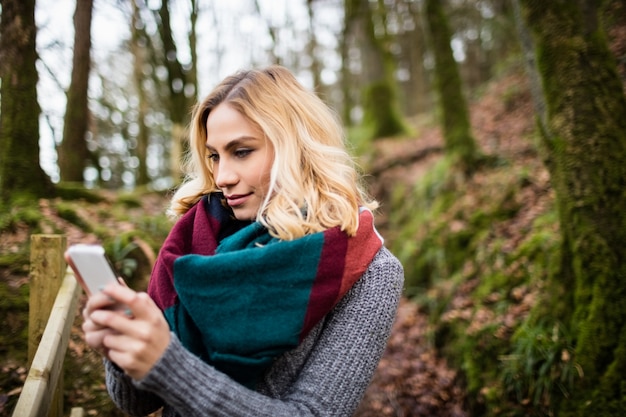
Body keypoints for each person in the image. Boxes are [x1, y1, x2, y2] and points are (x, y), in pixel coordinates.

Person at [82, 65, 404, 417]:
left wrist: (166, 363)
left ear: (296, 148)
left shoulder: (368, 269)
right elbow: (137, 402)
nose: (222, 177)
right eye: (215, 156)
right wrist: (120, 342)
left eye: (242, 152)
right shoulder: (194, 241)